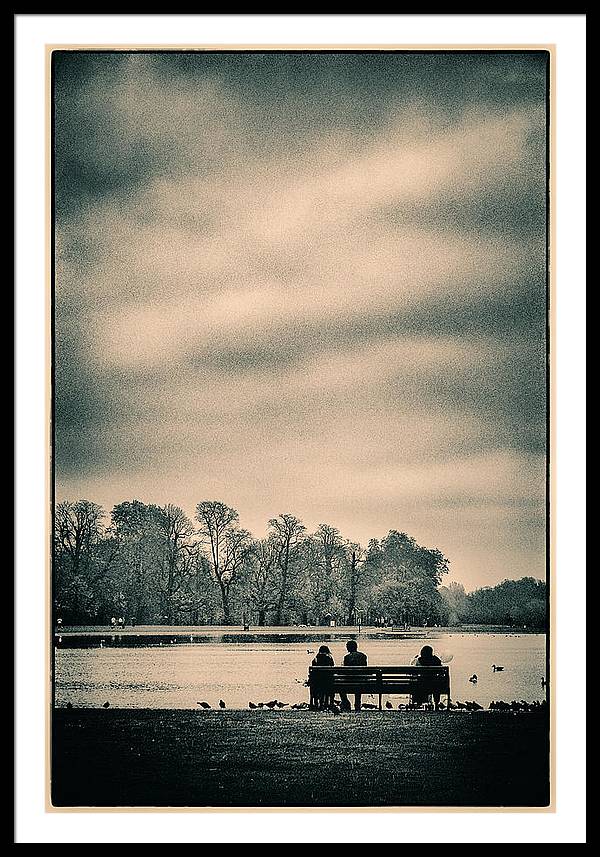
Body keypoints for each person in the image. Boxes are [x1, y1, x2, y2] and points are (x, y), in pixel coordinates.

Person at [411, 645, 443, 709]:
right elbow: (441, 673)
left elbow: (414, 673)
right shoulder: (436, 660)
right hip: (434, 685)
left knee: (417, 683)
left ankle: (418, 702)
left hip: (422, 684)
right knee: (437, 684)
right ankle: (436, 703)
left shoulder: (419, 660)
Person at [340, 640, 368, 711]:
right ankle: (357, 703)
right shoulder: (363, 656)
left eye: (347, 646)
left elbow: (346, 671)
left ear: (349, 648)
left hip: (349, 682)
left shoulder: (347, 657)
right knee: (358, 684)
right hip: (361, 682)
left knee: (339, 686)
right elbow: (365, 669)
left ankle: (346, 702)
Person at [310, 645, 335, 710]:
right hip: (327, 682)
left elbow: (313, 672)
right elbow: (332, 669)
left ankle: (316, 704)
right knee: (327, 685)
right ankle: (328, 704)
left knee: (318, 684)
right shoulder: (329, 658)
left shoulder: (316, 659)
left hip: (317, 682)